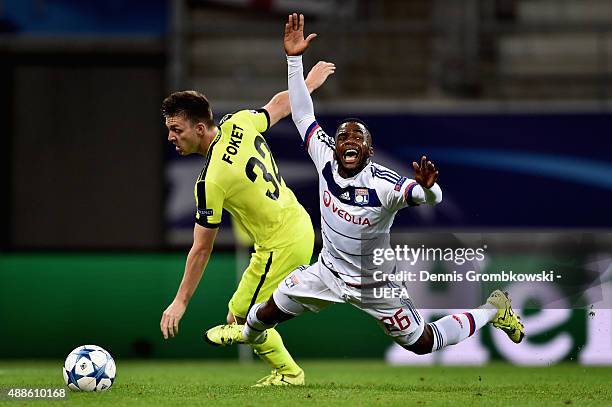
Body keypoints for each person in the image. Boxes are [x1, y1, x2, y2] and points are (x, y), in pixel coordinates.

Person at [205, 13, 524, 364]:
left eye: (358, 137)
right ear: (336, 145)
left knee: (422, 343)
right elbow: (301, 114)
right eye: (343, 136)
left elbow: (426, 197)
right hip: (327, 272)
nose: (349, 140)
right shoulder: (323, 155)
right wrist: (294, 59)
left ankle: (494, 309)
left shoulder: (383, 184)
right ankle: (243, 334)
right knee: (267, 313)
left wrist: (430, 190)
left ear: (369, 151)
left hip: (375, 284)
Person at [160, 59, 336, 386]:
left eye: (176, 129)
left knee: (241, 318)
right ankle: (291, 358)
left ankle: (292, 368)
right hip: (295, 223)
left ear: (199, 129)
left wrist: (180, 302)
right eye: (169, 129)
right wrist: (307, 85)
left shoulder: (210, 181)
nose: (171, 137)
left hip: (279, 243)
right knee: (240, 316)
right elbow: (279, 106)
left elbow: (201, 249)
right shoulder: (238, 122)